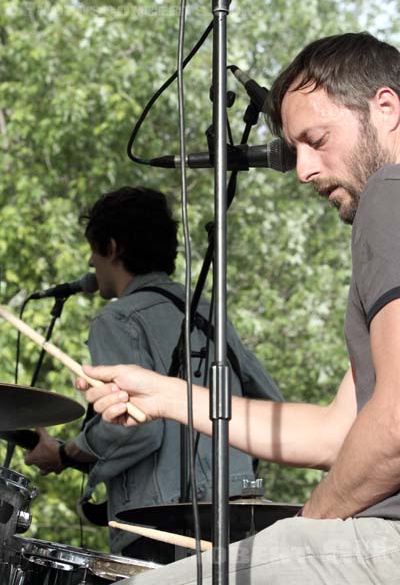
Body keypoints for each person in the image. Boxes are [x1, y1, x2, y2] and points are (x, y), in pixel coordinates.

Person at [76, 32, 400, 584]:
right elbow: (335, 433)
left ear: (385, 107)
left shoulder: (389, 193)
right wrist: (165, 395)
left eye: (316, 139)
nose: (303, 169)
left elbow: (394, 423)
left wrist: (309, 522)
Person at [25, 186, 283, 563]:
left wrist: (66, 452)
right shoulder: (206, 310)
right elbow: (268, 403)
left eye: (94, 250)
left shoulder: (116, 319)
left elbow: (137, 427)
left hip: (163, 523)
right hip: (239, 510)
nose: (91, 262)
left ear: (112, 248)